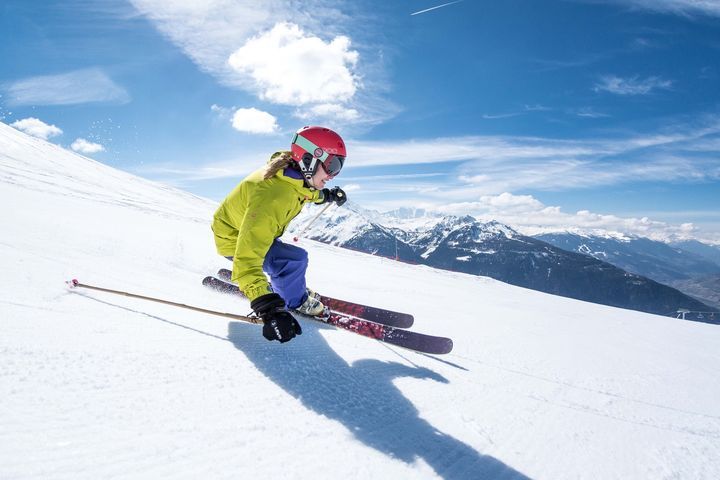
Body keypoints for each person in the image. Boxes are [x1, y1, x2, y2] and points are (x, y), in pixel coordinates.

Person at [211, 126, 348, 344]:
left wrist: (327, 195)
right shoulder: (274, 195)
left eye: (339, 166)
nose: (334, 175)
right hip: (234, 240)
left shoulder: (289, 174)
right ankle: (295, 300)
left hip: (244, 229)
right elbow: (247, 257)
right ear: (310, 159)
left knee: (290, 259)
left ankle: (289, 286)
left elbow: (304, 192)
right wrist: (267, 306)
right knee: (293, 260)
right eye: (332, 165)